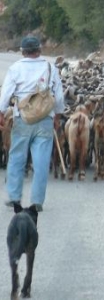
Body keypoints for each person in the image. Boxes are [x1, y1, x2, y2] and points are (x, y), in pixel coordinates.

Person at [0, 36, 65, 211]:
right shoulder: (50, 68)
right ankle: (37, 201)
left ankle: (14, 196)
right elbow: (58, 97)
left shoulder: (15, 69)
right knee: (41, 162)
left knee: (16, 159)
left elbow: (5, 94)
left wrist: (1, 112)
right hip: (45, 120)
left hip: (22, 119)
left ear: (22, 52)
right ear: (39, 50)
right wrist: (57, 117)